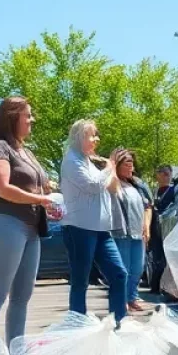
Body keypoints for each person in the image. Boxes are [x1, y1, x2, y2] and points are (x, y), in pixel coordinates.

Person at [0, 96, 55, 348]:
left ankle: (16, 352)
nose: (32, 120)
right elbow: (2, 188)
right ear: (13, 117)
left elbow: (37, 185)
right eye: (27, 115)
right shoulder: (0, 147)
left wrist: (49, 193)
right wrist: (40, 198)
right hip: (7, 223)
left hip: (32, 229)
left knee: (22, 297)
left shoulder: (26, 151)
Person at [60, 120, 128, 322]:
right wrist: (110, 167)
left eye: (96, 135)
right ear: (79, 137)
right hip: (79, 227)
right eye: (92, 135)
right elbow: (92, 186)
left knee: (119, 274)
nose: (96, 139)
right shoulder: (71, 161)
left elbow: (111, 188)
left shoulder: (89, 161)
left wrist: (111, 170)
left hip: (101, 229)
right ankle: (77, 324)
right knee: (81, 280)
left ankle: (119, 323)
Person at [110, 149, 152, 312]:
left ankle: (132, 297)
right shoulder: (112, 183)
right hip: (121, 233)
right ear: (117, 166)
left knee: (137, 268)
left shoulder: (138, 184)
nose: (130, 168)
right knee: (124, 269)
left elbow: (147, 207)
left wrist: (146, 227)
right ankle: (122, 300)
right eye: (126, 164)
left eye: (131, 164)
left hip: (138, 233)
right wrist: (111, 168)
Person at [148, 165, 178, 293]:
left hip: (169, 229)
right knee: (156, 258)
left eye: (168, 173)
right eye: (163, 173)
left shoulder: (175, 190)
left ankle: (166, 288)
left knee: (167, 259)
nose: (166, 176)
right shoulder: (154, 191)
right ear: (158, 175)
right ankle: (155, 287)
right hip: (154, 228)